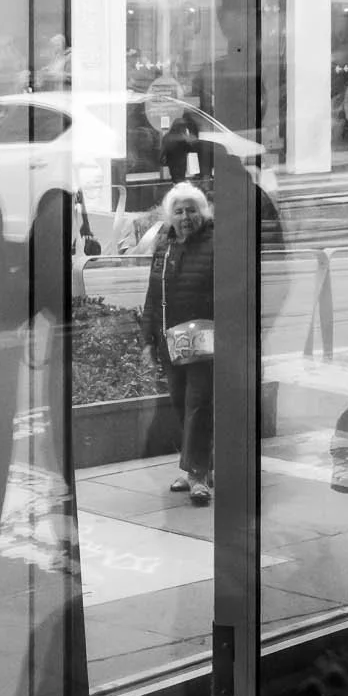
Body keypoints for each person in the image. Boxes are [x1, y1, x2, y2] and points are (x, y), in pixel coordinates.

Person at [139, 181, 216, 505]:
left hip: (204, 338)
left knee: (198, 405)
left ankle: (196, 475)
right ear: (171, 216)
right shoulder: (165, 246)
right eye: (179, 211)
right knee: (181, 403)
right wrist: (147, 340)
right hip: (172, 340)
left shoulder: (216, 244)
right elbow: (153, 295)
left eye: (191, 210)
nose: (186, 217)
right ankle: (201, 466)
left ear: (203, 212)